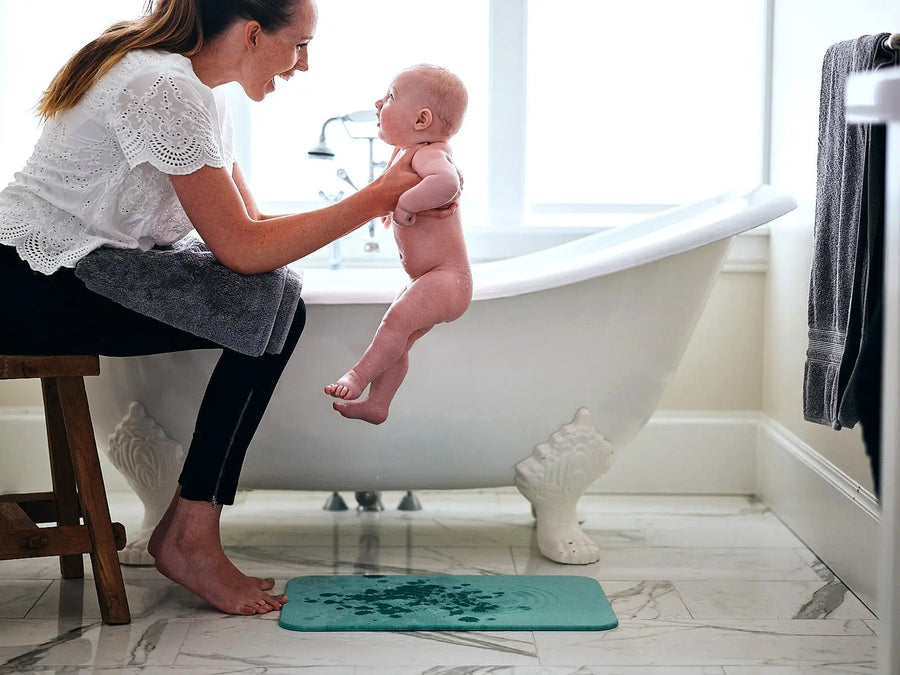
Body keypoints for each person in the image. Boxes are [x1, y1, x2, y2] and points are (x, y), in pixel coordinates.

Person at [0, 0, 457, 616]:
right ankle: (193, 536)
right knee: (270, 300)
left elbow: (253, 229)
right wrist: (374, 195)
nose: (302, 65)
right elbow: (242, 250)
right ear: (250, 33)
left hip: (74, 267)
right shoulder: (162, 88)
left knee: (278, 297)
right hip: (29, 279)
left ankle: (188, 531)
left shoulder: (198, 95)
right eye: (298, 44)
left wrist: (376, 208)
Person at [325, 65, 472, 425]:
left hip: (446, 278)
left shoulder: (429, 154)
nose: (379, 102)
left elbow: (447, 183)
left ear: (422, 120)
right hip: (433, 279)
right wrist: (394, 208)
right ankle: (378, 404)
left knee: (394, 323)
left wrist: (406, 204)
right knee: (399, 341)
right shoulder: (411, 152)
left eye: (390, 97)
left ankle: (357, 377)